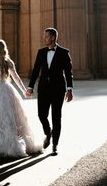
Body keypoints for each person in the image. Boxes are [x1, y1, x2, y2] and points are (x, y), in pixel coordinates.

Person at [26, 27, 73, 155]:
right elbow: (36, 71)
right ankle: (48, 133)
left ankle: (55, 145)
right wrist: (30, 87)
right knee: (42, 115)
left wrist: (69, 89)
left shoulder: (64, 52)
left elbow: (68, 73)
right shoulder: (41, 52)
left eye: (46, 36)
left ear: (53, 37)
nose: (44, 38)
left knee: (56, 117)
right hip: (43, 89)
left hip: (58, 89)